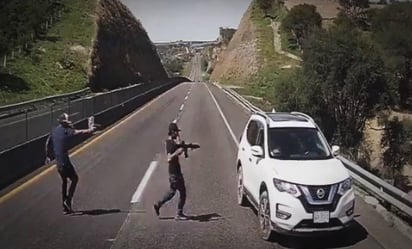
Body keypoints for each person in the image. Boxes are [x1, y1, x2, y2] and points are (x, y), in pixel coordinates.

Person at [45, 113, 95, 214]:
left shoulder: (54, 131)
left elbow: (47, 143)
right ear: (64, 122)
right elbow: (79, 132)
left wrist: (48, 156)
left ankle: (65, 207)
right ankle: (68, 201)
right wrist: (90, 129)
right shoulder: (67, 131)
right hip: (65, 161)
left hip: (58, 163)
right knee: (74, 179)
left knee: (64, 182)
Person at [153, 122, 188, 221]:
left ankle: (158, 204)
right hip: (174, 173)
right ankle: (179, 213)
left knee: (173, 192)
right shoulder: (169, 143)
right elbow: (169, 158)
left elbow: (183, 154)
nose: (177, 134)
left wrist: (182, 147)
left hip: (176, 171)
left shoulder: (173, 142)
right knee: (181, 192)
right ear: (172, 132)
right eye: (176, 132)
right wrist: (178, 151)